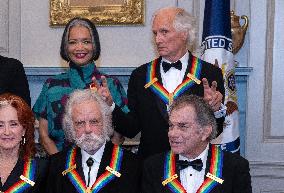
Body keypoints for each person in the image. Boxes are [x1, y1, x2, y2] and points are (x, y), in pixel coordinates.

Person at [111, 7, 225, 159]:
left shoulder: (210, 74)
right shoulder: (140, 75)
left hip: (193, 167)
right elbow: (131, 129)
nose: (158, 39)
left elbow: (215, 131)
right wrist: (110, 106)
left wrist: (216, 111)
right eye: (155, 33)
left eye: (164, 32)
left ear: (184, 34)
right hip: (150, 168)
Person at [33, 17, 129, 155]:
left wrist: (99, 163)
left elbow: (119, 135)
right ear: (65, 47)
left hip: (102, 168)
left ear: (94, 45)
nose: (79, 48)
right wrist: (61, 166)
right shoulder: (51, 85)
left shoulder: (110, 84)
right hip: (59, 167)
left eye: (86, 42)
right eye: (73, 42)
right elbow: (44, 135)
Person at [142, 95, 252, 193]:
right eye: (171, 126)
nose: (172, 134)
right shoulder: (153, 167)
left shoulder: (235, 167)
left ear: (205, 132)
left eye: (182, 126)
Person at [46, 89, 140, 193]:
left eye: (94, 121)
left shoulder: (132, 165)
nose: (87, 129)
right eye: (80, 123)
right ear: (70, 126)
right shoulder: (56, 165)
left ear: (106, 122)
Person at [0, 93, 48, 193]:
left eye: (13, 124)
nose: (6, 132)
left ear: (24, 129)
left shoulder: (41, 169)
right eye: (0, 125)